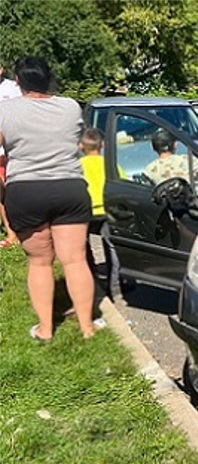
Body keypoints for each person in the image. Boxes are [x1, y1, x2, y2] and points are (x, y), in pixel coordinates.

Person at [0, 57, 97, 340]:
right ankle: (87, 327)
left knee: (40, 262)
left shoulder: (4, 110)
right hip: (69, 187)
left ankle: (45, 329)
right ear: (49, 77)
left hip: (26, 191)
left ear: (17, 81)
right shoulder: (70, 106)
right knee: (75, 260)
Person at [79, 127, 123, 300]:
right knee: (111, 248)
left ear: (81, 146)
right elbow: (120, 187)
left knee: (84, 248)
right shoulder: (111, 165)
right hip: (107, 211)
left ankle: (92, 281)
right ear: (103, 145)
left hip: (86, 212)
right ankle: (115, 286)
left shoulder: (78, 166)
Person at [0, 63, 22, 247]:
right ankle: (11, 234)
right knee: (1, 193)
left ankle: (24, 230)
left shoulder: (13, 88)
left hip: (13, 149)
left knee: (15, 189)